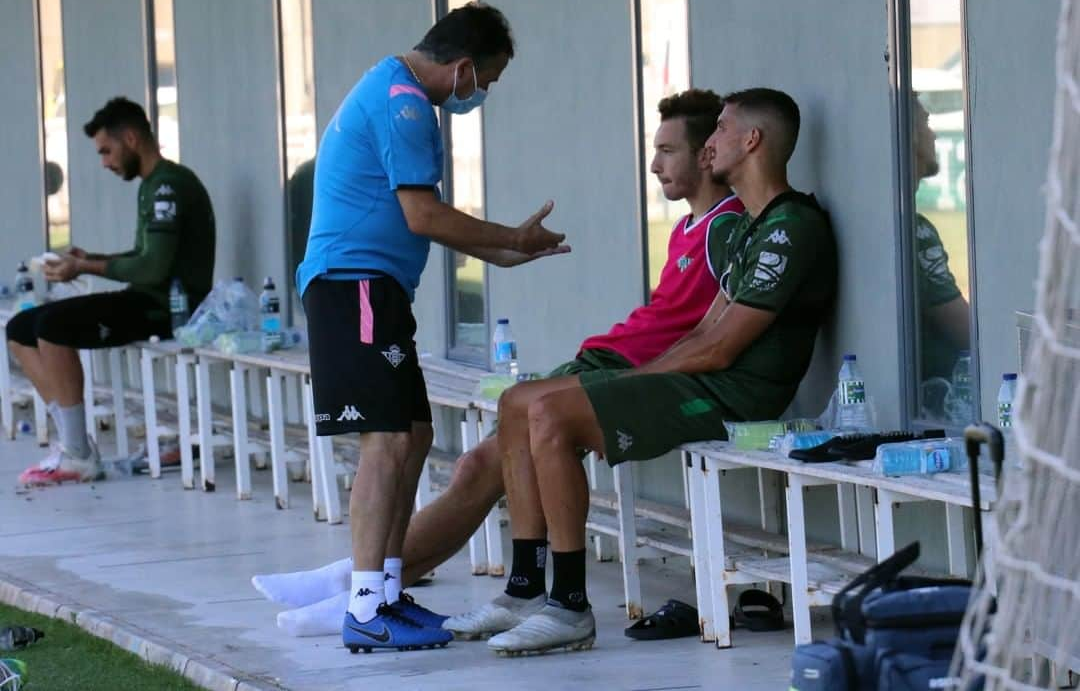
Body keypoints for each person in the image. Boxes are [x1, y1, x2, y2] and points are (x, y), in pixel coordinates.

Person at [252, 88, 745, 639]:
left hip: (625, 377)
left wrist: (637, 375)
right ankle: (359, 584)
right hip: (602, 361)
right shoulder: (686, 227)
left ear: (706, 154)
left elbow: (715, 331)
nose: (654, 164)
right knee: (480, 463)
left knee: (478, 466)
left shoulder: (728, 228)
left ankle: (360, 591)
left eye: (668, 150)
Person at [467, 87, 839, 656]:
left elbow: (718, 351)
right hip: (699, 380)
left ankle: (568, 606)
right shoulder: (751, 226)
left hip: (735, 398)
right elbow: (699, 334)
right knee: (518, 401)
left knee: (548, 413)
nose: (710, 142)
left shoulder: (793, 227)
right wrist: (631, 378)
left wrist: (627, 383)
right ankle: (523, 588)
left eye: (719, 130)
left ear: (752, 140)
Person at [296, 2, 569, 653]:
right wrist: (507, 236)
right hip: (352, 285)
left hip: (375, 288)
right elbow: (423, 214)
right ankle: (366, 607)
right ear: (465, 68)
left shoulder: (393, 90)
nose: (483, 95)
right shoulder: (407, 102)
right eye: (489, 81)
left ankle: (387, 594)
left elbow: (425, 217)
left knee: (413, 434)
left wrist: (510, 249)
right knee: (386, 441)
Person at [8, 97, 215, 486]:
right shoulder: (152, 184)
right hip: (144, 298)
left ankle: (78, 456)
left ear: (132, 138)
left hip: (169, 310)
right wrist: (93, 258)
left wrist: (84, 266)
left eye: (107, 150)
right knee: (19, 329)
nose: (104, 162)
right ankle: (72, 443)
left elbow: (153, 268)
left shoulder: (169, 186)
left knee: (53, 326)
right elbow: (145, 255)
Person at [911, 97, 970, 383]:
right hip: (936, 399)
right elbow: (965, 331)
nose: (932, 134)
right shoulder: (916, 231)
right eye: (926, 122)